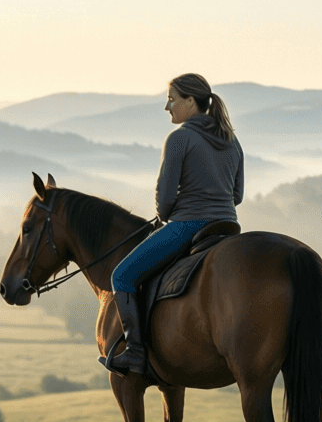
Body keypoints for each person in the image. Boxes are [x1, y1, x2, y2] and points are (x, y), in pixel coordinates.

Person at [103, 72, 244, 375]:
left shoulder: (179, 138)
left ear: (190, 101)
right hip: (228, 227)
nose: (167, 107)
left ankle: (135, 354)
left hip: (188, 226)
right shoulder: (232, 141)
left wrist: (170, 212)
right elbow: (238, 195)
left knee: (122, 276)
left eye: (171, 99)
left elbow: (165, 198)